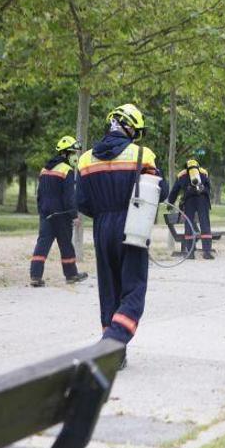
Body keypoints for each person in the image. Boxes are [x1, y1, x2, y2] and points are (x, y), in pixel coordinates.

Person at [77, 104, 168, 352]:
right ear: (130, 128)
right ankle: (111, 342)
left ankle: (114, 355)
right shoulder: (142, 155)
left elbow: (81, 202)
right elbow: (162, 191)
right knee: (133, 290)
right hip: (133, 226)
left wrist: (104, 214)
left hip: (102, 227)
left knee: (110, 291)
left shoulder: (85, 159)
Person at [30, 136, 88, 287]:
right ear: (66, 153)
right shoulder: (66, 170)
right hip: (62, 215)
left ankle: (35, 276)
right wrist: (74, 215)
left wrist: (41, 211)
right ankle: (71, 275)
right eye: (74, 153)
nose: (76, 156)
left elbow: (40, 194)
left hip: (46, 213)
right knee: (66, 245)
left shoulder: (44, 169)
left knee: (42, 244)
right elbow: (69, 197)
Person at [168, 159, 214, 259]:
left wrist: (170, 202)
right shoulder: (203, 172)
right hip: (202, 199)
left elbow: (175, 190)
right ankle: (207, 252)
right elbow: (208, 188)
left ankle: (190, 253)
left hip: (189, 201)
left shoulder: (181, 174)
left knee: (189, 225)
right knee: (205, 224)